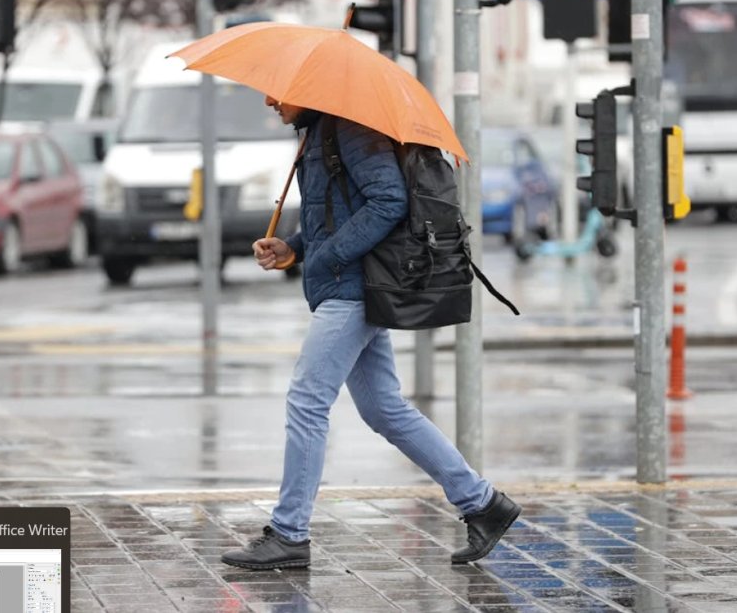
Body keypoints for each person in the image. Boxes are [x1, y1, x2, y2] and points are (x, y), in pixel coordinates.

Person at [221, 97, 520, 571]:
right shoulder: (320, 134)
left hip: (353, 290)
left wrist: (329, 257)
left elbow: (389, 200)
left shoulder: (349, 129)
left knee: (307, 400)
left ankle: (289, 532)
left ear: (312, 91)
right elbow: (338, 213)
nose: (270, 101)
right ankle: (483, 504)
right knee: (384, 408)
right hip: (348, 285)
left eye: (280, 92)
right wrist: (293, 248)